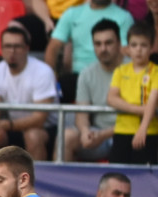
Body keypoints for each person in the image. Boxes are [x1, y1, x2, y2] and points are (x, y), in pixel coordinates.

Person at [0, 25, 59, 161]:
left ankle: (36, 181)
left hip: (45, 129)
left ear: (27, 48)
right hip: (11, 127)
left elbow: (40, 119)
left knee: (32, 135)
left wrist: (7, 125)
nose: (12, 51)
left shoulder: (43, 71)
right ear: (1, 49)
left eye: (17, 46)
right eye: (8, 46)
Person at [45, 0, 133, 104]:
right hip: (77, 76)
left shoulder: (124, 17)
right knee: (61, 88)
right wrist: (51, 76)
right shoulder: (72, 13)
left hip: (111, 75)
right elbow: (53, 47)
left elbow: (124, 51)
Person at [62, 18, 123, 162]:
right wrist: (84, 132)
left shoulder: (134, 69)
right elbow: (81, 113)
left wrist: (104, 134)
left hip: (127, 133)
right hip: (98, 133)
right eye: (98, 44)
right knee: (67, 137)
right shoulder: (86, 73)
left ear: (119, 43)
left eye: (108, 43)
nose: (103, 49)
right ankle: (62, 184)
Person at [107, 21, 158, 164]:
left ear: (151, 48)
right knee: (117, 174)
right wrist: (139, 109)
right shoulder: (120, 71)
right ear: (127, 48)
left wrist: (143, 129)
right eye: (134, 45)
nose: (138, 50)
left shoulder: (155, 72)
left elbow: (153, 100)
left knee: (144, 178)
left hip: (149, 132)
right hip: (122, 131)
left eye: (143, 45)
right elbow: (111, 98)